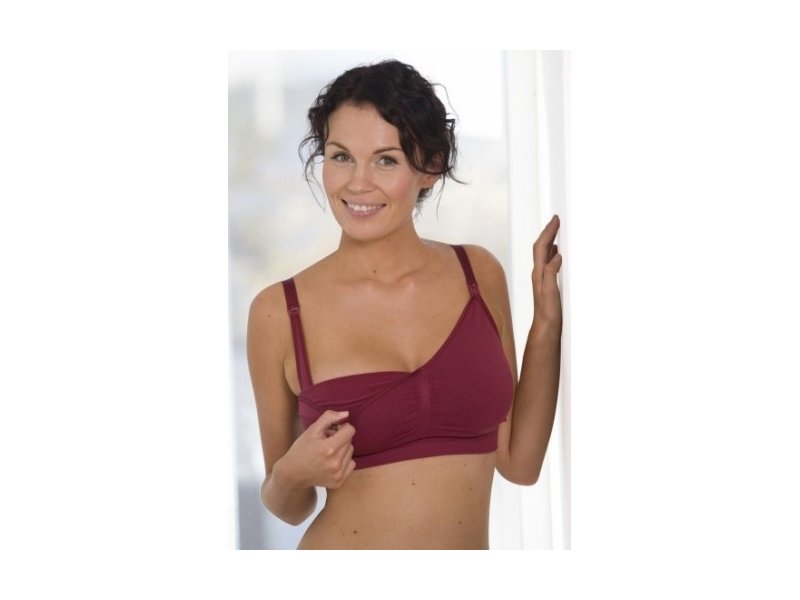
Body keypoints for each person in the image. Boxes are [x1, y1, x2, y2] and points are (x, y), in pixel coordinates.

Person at [246, 59, 563, 549]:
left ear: (430, 167)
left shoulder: (478, 275)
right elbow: (289, 504)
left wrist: (546, 323)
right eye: (340, 156)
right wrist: (292, 473)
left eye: (386, 160)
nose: (357, 183)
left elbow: (519, 463)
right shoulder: (278, 313)